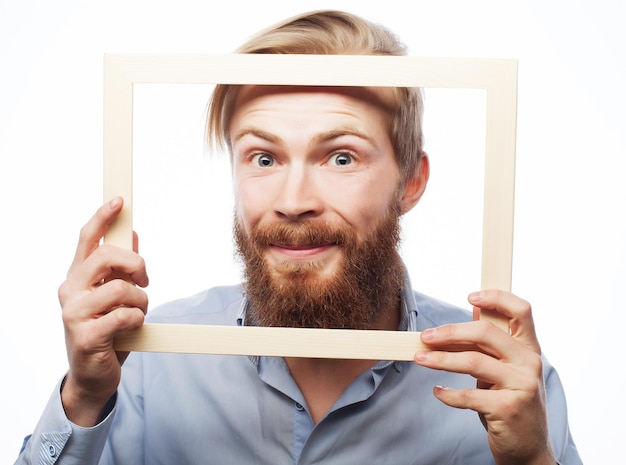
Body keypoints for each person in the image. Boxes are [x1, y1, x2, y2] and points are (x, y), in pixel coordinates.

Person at [15, 10, 581, 465]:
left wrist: (531, 460)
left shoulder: (507, 386)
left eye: (340, 156)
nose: (292, 200)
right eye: (263, 157)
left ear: (412, 182)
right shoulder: (145, 370)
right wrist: (84, 400)